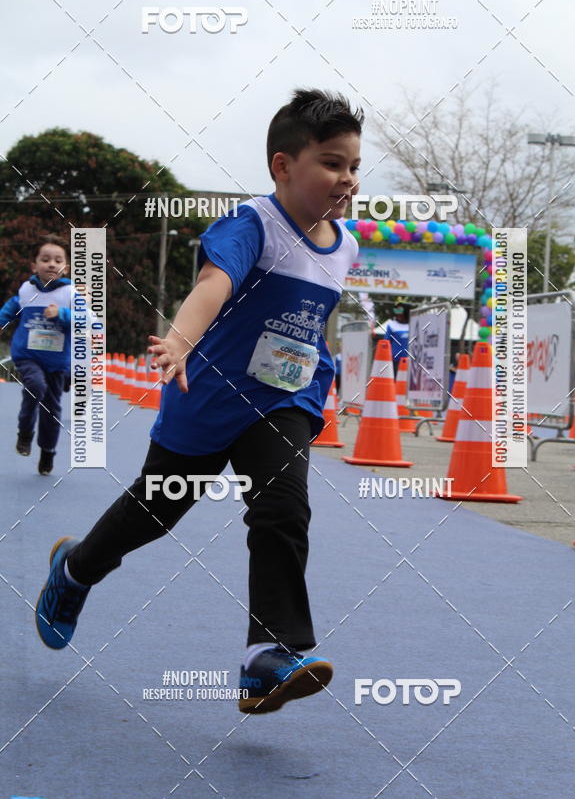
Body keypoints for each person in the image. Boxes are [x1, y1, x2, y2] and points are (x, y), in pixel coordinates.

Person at [35, 88, 363, 715]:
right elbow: (213, 284)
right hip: (208, 395)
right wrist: (180, 342)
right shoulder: (253, 225)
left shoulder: (344, 245)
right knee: (156, 510)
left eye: (353, 165)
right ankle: (75, 570)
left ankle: (268, 656)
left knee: (282, 509)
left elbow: (307, 316)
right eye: (331, 163)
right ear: (283, 166)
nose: (346, 178)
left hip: (284, 400)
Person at [0, 234, 72, 475]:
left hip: (56, 362)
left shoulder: (71, 295)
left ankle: (47, 452)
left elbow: (86, 321)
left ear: (66, 267)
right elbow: (9, 311)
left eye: (58, 260)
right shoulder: (26, 291)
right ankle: (25, 432)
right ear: (34, 265)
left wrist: (62, 314)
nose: (51, 264)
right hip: (27, 356)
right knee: (35, 386)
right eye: (45, 259)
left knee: (52, 409)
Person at [384, 304, 410, 375]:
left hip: (410, 361)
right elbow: (386, 343)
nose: (398, 313)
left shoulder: (413, 324)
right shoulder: (391, 325)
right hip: (395, 361)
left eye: (400, 311)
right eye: (396, 311)